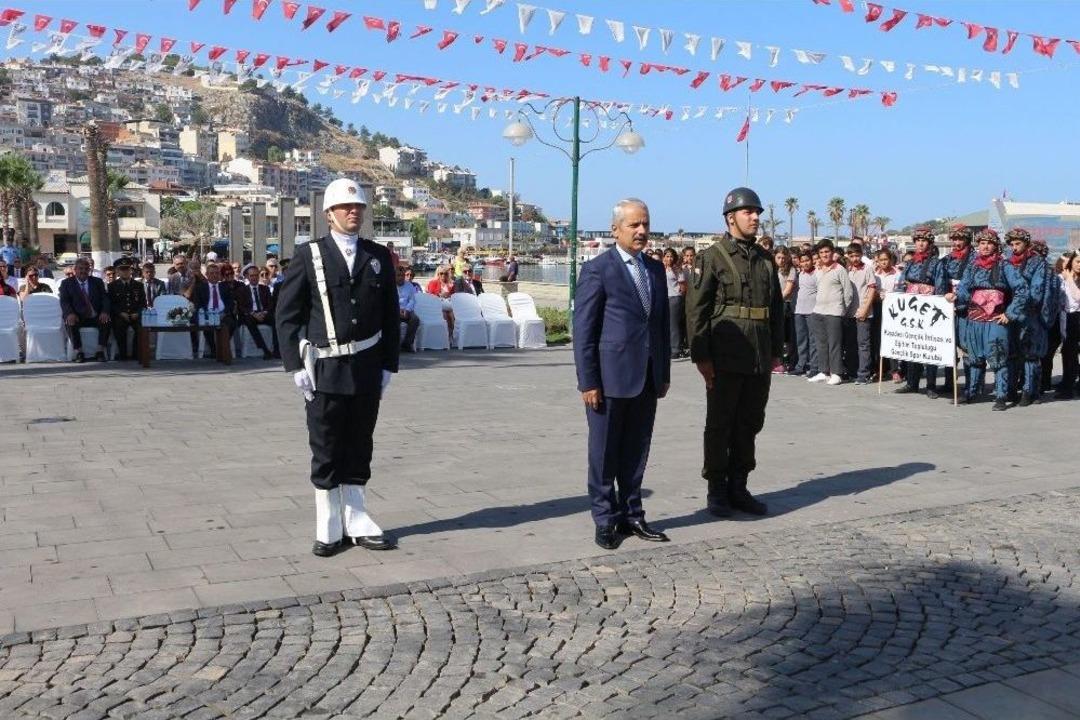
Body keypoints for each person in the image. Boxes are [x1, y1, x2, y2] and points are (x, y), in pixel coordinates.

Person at [276, 177, 400, 557]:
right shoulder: (309, 255)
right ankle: (328, 522)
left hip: (366, 363)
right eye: (345, 208)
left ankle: (357, 516)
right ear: (328, 214)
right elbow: (287, 313)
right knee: (327, 444)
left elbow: (390, 314)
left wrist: (389, 365)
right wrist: (294, 364)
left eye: (358, 208)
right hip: (325, 367)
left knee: (360, 442)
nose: (353, 212)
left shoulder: (377, 256)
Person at [574, 198, 670, 550]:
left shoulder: (655, 270)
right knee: (604, 453)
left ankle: (633, 514)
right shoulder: (598, 270)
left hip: (646, 376)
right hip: (609, 378)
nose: (642, 231)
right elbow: (584, 330)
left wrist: (663, 371)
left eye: (645, 224)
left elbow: (660, 325)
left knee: (636, 450)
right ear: (615, 230)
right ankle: (604, 518)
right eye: (634, 225)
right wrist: (588, 380)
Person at [685, 187, 782, 518]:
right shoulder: (711, 258)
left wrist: (776, 351)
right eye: (748, 212)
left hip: (758, 354)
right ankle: (717, 490)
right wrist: (702, 357)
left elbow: (776, 309)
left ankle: (739, 486)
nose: (755, 217)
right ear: (731, 218)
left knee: (750, 421)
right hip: (725, 356)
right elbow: (696, 311)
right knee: (720, 424)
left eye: (757, 213)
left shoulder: (766, 260)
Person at [954, 229, 1027, 410]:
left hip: (996, 320)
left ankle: (1001, 396)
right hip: (974, 319)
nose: (985, 247)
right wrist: (956, 299)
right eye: (981, 243)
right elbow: (963, 288)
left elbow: (1022, 290)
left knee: (998, 358)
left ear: (996, 245)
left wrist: (1010, 313)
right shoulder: (972, 266)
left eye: (989, 243)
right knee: (974, 358)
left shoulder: (1005, 265)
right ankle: (972, 392)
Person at [895, 228, 948, 398]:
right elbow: (902, 284)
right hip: (910, 309)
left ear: (930, 244)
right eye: (918, 240)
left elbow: (940, 286)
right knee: (912, 345)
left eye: (924, 241)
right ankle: (912, 382)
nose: (920, 243)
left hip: (928, 309)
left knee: (929, 347)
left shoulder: (937, 263)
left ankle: (931, 385)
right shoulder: (910, 263)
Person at [1005, 230, 1053, 406]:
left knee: (1030, 355)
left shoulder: (1037, 262)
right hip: (1009, 314)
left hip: (1030, 314)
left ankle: (1029, 391)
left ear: (1026, 243)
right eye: (1012, 244)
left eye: (1018, 243)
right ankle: (1010, 390)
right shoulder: (1007, 262)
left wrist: (1019, 307)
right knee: (1011, 354)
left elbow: (1037, 290)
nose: (1014, 247)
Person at [809, 239, 852, 386]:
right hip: (818, 311)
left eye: (827, 251)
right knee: (821, 344)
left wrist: (841, 309)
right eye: (821, 252)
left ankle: (836, 373)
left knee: (835, 344)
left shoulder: (840, 269)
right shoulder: (818, 270)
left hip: (834, 312)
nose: (824, 255)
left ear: (832, 252)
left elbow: (848, 292)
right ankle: (824, 371)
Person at [941, 226, 974, 396]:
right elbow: (940, 281)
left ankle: (971, 385)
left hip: (968, 309)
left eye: (960, 239)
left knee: (968, 348)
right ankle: (949, 382)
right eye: (954, 239)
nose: (957, 242)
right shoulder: (946, 260)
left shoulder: (975, 259)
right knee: (948, 347)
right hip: (948, 308)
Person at [58, 257, 111, 362]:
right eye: (80, 268)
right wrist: (69, 313)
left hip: (95, 315)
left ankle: (100, 351)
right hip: (77, 316)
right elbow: (64, 301)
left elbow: (105, 299)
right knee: (70, 321)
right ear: (75, 270)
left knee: (107, 320)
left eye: (86, 269)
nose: (83, 271)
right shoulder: (66, 283)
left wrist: (105, 312)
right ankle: (79, 352)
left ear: (89, 270)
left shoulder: (97, 282)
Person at [843, 241, 878, 384]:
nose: (855, 258)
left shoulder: (867, 269)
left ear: (862, 255)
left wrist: (865, 308)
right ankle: (852, 371)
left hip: (864, 312)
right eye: (851, 256)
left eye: (857, 256)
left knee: (863, 344)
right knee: (850, 344)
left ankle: (863, 373)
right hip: (849, 313)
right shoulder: (847, 270)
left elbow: (871, 289)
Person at [192, 262, 235, 358]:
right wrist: (208, 314)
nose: (214, 275)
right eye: (211, 273)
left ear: (220, 275)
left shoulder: (225, 287)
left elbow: (230, 303)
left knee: (231, 324)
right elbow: (198, 304)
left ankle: (222, 346)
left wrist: (224, 313)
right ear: (207, 275)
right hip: (207, 315)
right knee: (207, 325)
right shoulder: (200, 288)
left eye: (216, 273)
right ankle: (214, 349)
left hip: (223, 314)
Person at [236, 263, 278, 360]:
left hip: (264, 314)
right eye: (252, 276)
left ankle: (277, 350)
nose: (254, 278)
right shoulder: (242, 290)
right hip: (251, 315)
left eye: (256, 275)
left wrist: (264, 312)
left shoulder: (265, 289)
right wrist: (254, 314)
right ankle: (265, 350)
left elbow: (270, 304)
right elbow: (241, 307)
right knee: (249, 322)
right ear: (247, 277)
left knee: (276, 320)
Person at [107, 258, 145, 361]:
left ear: (131, 270)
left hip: (135, 315)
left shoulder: (139, 285)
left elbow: (143, 303)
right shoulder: (112, 286)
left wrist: (137, 313)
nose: (125, 271)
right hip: (120, 315)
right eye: (122, 269)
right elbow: (111, 304)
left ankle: (136, 354)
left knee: (141, 327)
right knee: (119, 327)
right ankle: (122, 354)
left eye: (127, 269)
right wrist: (120, 313)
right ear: (118, 271)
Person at [874, 249, 903, 382]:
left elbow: (901, 291)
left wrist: (890, 296)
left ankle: (895, 370)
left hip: (893, 309)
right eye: (881, 260)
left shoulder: (898, 274)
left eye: (886, 259)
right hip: (878, 307)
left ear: (891, 260)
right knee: (878, 339)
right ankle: (880, 369)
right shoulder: (875, 274)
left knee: (891, 339)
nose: (884, 262)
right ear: (877, 261)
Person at [1057, 252, 1080, 399]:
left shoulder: (1069, 279)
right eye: (1077, 261)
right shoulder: (1061, 278)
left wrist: (1070, 279)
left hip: (1077, 316)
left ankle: (1070, 386)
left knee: (1072, 352)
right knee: (1068, 353)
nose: (1079, 264)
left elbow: (1078, 297)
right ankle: (1067, 386)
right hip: (1066, 318)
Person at [792, 250, 819, 378]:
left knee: (813, 340)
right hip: (799, 311)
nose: (805, 263)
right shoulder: (799, 274)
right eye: (802, 261)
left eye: (807, 260)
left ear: (812, 260)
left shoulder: (817, 273)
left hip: (812, 311)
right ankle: (801, 365)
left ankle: (814, 367)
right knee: (801, 340)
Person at [774, 246, 798, 373]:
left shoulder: (791, 270)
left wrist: (776, 301)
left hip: (785, 305)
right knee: (776, 334)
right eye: (778, 257)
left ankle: (786, 361)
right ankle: (776, 361)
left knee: (785, 335)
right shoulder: (772, 269)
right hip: (773, 304)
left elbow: (788, 290)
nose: (781, 260)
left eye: (784, 257)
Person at [662, 247, 687, 359]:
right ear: (664, 257)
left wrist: (680, 296)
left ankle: (675, 349)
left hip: (674, 298)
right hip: (664, 298)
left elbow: (682, 286)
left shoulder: (677, 269)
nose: (669, 258)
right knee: (665, 324)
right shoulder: (660, 268)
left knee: (673, 324)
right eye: (667, 256)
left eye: (671, 256)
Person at [396, 264, 420, 352]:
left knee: (415, 319)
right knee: (392, 320)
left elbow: (412, 300)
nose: (401, 277)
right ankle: (396, 344)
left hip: (407, 309)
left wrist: (407, 310)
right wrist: (398, 310)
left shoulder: (409, 285)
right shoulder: (390, 286)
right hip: (395, 310)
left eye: (402, 275)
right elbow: (389, 301)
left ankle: (407, 344)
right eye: (398, 275)